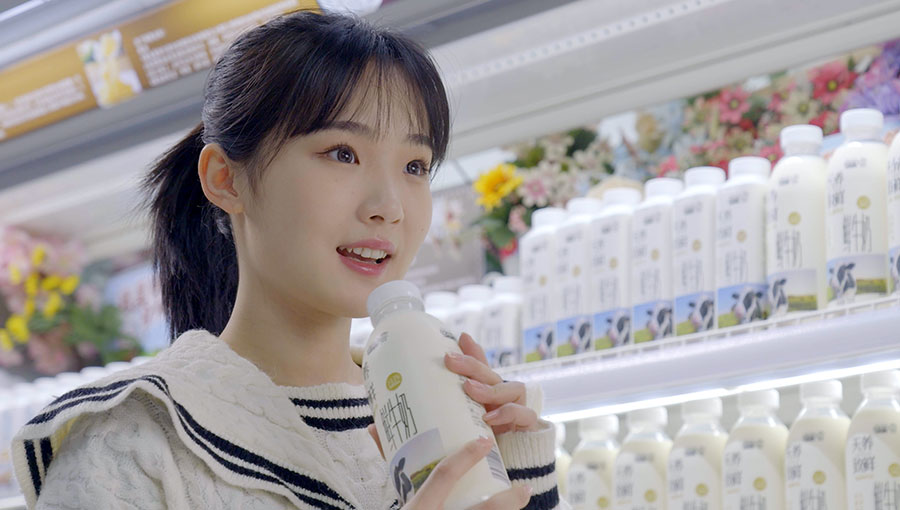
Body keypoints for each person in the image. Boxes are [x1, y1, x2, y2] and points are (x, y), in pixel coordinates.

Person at [11, 10, 562, 510]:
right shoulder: (132, 445)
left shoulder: (452, 418)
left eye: (415, 166)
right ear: (226, 180)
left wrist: (521, 477)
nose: (389, 207)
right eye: (342, 154)